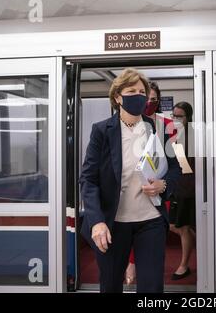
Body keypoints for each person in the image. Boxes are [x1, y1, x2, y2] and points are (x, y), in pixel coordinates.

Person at [79, 68, 181, 293]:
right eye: (131, 91)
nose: (139, 96)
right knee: (111, 284)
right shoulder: (102, 131)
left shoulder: (161, 128)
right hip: (112, 224)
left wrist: (163, 185)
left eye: (142, 91)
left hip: (151, 220)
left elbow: (175, 170)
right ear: (118, 97)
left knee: (152, 288)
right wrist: (96, 221)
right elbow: (88, 179)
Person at [124, 80, 175, 285]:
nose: (150, 103)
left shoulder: (168, 125)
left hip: (157, 192)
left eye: (154, 100)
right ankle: (131, 262)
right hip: (130, 193)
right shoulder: (127, 123)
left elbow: (177, 162)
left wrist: (165, 184)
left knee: (153, 247)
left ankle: (143, 269)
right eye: (147, 99)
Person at [169, 101, 196, 280]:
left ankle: (184, 265)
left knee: (183, 227)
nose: (176, 119)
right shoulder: (176, 134)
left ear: (188, 117)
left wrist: (175, 152)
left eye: (180, 116)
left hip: (186, 188)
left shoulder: (191, 136)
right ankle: (202, 240)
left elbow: (186, 167)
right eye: (174, 115)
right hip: (177, 187)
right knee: (174, 226)